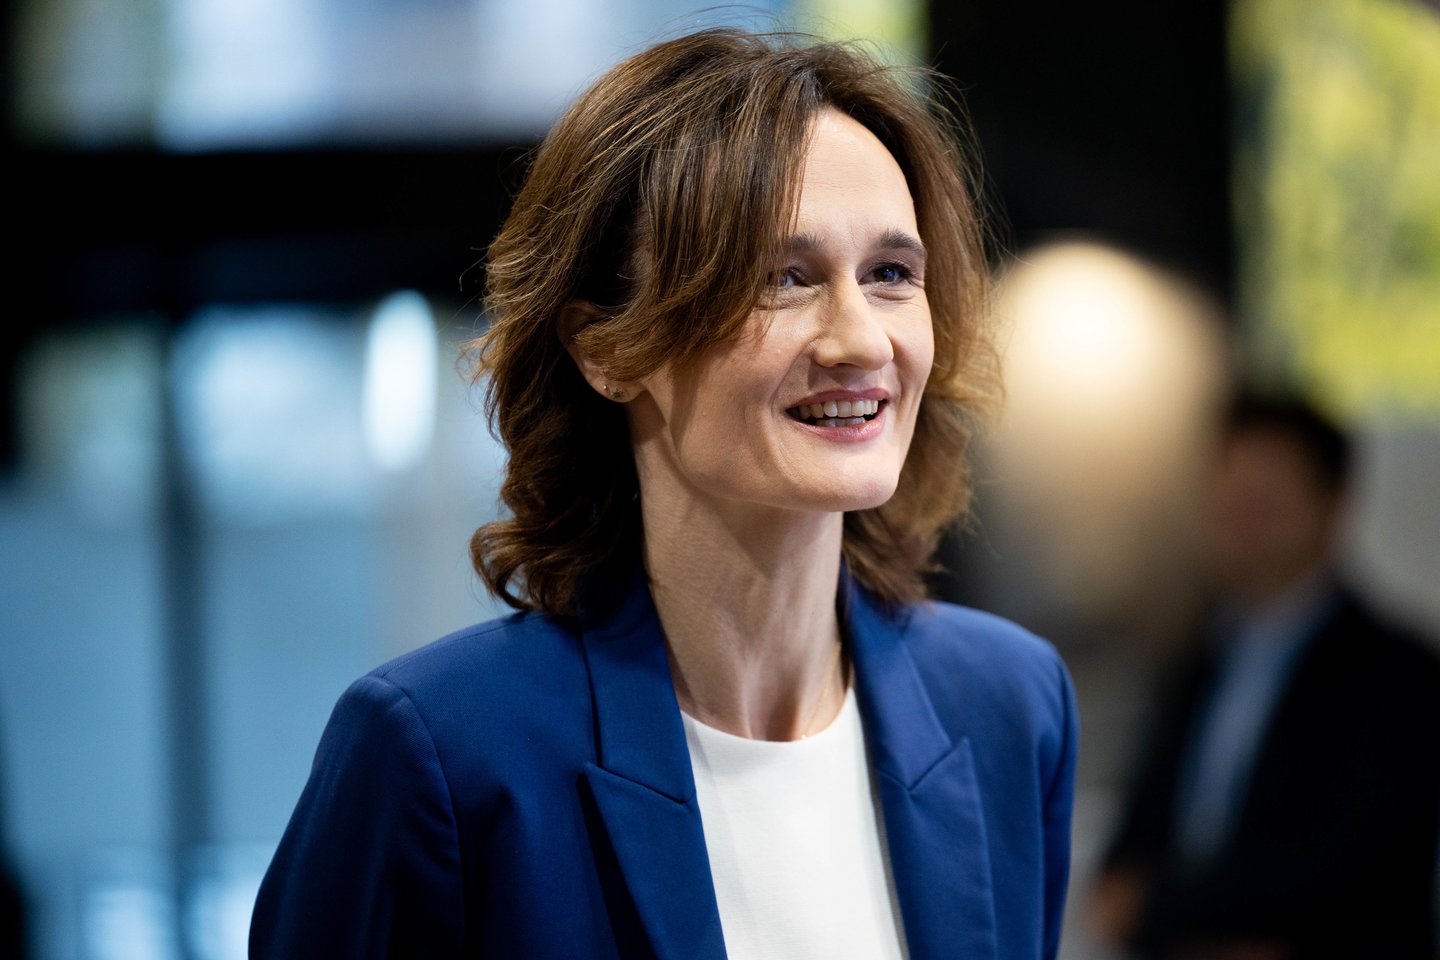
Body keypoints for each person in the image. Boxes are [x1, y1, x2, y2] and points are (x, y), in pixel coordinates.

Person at [250, 28, 1078, 960]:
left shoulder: (1011, 707)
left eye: (890, 274)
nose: (860, 340)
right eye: (783, 278)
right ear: (605, 347)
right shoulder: (437, 753)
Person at [1092, 394, 1440, 959]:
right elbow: (1139, 829)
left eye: (1266, 501)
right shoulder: (1196, 656)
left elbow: (1352, 867)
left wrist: (1159, 909)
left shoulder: (1398, 673)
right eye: (1229, 500)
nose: (1243, 523)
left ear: (1333, 503)